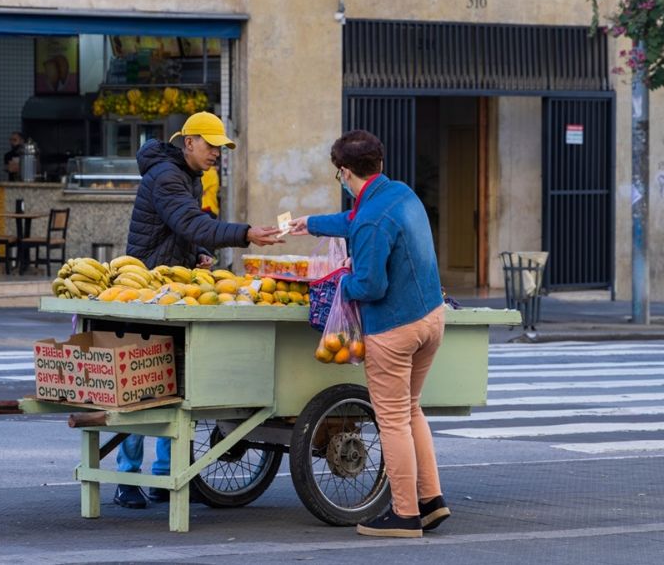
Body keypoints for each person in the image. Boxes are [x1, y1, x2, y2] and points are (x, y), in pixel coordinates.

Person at [114, 111, 283, 509]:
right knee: (142, 384)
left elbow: (183, 231)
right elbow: (190, 222)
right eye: (211, 146)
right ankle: (126, 477)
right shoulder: (166, 176)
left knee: (171, 384)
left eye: (220, 149)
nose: (216, 155)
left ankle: (162, 478)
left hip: (172, 289)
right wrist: (244, 233)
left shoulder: (187, 175)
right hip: (147, 290)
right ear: (188, 142)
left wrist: (202, 254)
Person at [288, 129, 449, 538]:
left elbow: (370, 285)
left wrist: (341, 282)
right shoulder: (399, 194)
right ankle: (431, 501)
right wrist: (311, 224)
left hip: (394, 328)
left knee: (391, 419)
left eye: (337, 175)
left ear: (343, 172)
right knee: (411, 410)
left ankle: (405, 514)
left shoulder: (372, 219)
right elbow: (354, 220)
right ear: (378, 164)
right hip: (431, 318)